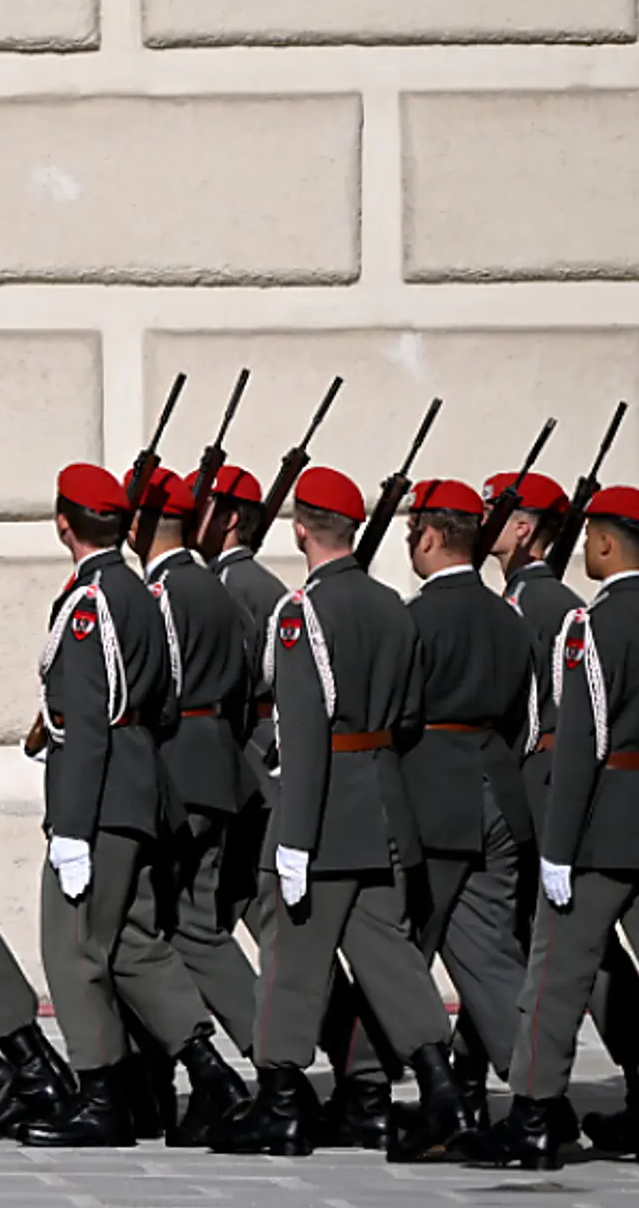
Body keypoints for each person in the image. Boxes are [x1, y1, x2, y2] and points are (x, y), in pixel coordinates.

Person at [208, 466, 469, 1161]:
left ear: (299, 528)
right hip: (384, 808)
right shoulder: (392, 605)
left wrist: (293, 838)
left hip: (321, 814)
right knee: (388, 959)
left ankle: (281, 1103)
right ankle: (441, 1091)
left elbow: (303, 731)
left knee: (292, 960)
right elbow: (409, 717)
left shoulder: (301, 612)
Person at [20, 463, 236, 1148]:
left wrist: (73, 829)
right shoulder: (142, 591)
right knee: (137, 944)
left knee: (74, 948)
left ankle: (103, 1094)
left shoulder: (91, 602)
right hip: (141, 785)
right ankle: (212, 1075)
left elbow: (85, 723)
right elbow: (166, 699)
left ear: (63, 523)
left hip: (102, 797)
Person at [468, 485, 639, 1170]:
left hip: (599, 830)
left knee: (555, 979)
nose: (583, 549)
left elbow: (583, 741)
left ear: (609, 544)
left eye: (591, 538)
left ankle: (531, 1120)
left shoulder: (590, 626)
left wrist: (557, 849)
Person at [396, 478, 534, 1131]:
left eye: (411, 531)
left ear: (429, 535)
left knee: (397, 949)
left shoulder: (414, 618)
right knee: (490, 952)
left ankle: (379, 1089)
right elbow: (523, 716)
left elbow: (396, 717)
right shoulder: (508, 614)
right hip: (499, 789)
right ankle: (541, 1088)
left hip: (435, 798)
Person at [136, 469, 258, 1141]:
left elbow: (160, 686)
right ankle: (266, 1056)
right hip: (223, 762)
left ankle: (258, 1058)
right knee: (200, 922)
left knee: (172, 926)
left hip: (180, 764)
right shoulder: (217, 586)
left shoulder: (160, 593)